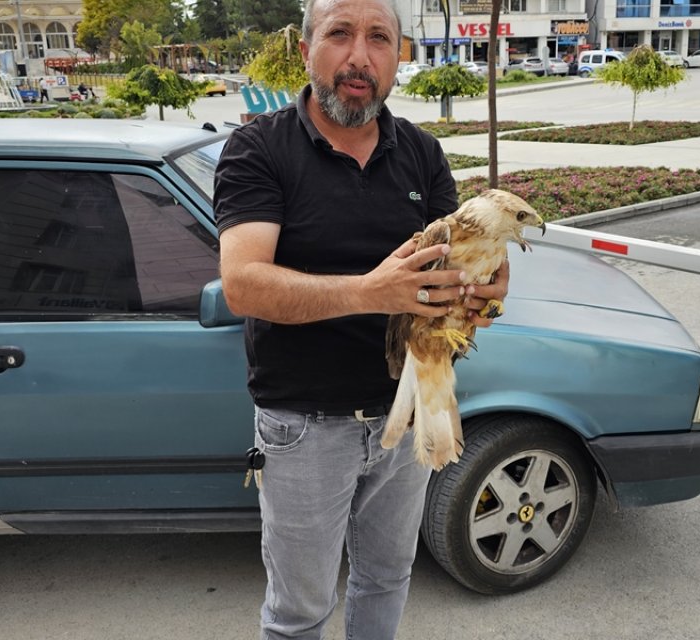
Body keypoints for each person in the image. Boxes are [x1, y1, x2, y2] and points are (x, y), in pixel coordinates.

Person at [213, 0, 509, 638]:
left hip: (405, 415)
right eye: (340, 34)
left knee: (387, 578)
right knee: (299, 611)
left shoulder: (422, 153)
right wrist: (372, 292)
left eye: (380, 38)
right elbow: (242, 285)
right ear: (305, 48)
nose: (359, 56)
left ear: (398, 57)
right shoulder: (259, 149)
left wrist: (480, 291)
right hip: (304, 426)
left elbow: (449, 270)